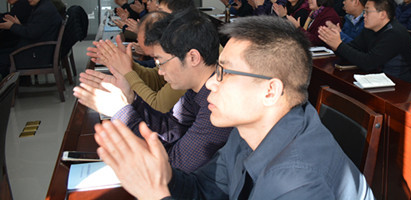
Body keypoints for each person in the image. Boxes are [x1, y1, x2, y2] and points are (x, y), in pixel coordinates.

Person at [92, 16, 374, 200]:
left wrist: (155, 195)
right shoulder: (247, 130)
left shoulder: (296, 181)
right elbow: (207, 189)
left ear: (270, 91)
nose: (211, 83)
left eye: (224, 73)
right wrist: (164, 176)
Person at [74, 10, 232, 173]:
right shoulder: (195, 91)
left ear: (193, 57)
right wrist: (131, 98)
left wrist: (121, 112)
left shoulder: (218, 105)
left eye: (161, 62)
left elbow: (174, 165)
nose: (160, 72)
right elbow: (170, 128)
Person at [319, 0, 411, 87]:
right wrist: (335, 44)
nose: (364, 16)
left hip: (403, 85)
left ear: (382, 14)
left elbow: (368, 62)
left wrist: (339, 45)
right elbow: (353, 48)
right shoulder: (370, 29)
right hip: (380, 80)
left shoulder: (394, 33)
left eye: (367, 12)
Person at [86, 12, 186, 113]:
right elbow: (158, 80)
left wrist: (126, 71)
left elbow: (156, 108)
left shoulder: (184, 67)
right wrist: (129, 65)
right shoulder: (172, 59)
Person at [0, 0, 63, 77]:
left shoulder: (43, 10)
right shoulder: (43, 6)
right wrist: (18, 24)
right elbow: (33, 29)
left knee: (3, 57)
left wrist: (12, 26)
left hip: (38, 54)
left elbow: (30, 33)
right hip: (38, 49)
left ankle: (9, 85)